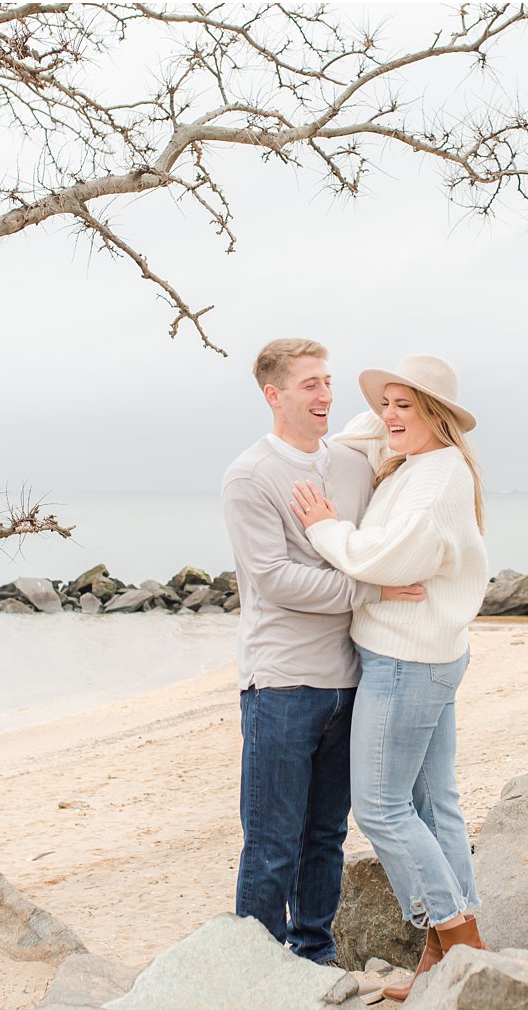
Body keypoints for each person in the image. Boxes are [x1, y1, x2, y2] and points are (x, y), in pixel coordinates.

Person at [288, 353, 490, 998]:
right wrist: (389, 417)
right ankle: (447, 957)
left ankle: (459, 938)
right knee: (433, 806)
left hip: (406, 661)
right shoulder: (422, 458)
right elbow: (356, 434)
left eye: (408, 405)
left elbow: (378, 557)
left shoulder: (434, 484)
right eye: (387, 403)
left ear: (437, 416)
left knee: (379, 807)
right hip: (426, 654)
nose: (388, 416)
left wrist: (324, 527)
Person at [221, 338, 426, 965]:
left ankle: (312, 957)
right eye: (310, 385)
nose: (326, 396)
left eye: (329, 382)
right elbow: (277, 581)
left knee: (326, 837)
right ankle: (254, 971)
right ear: (273, 395)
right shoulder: (250, 477)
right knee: (272, 842)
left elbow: (390, 425)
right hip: (282, 683)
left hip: (353, 679)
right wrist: (372, 590)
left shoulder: (351, 466)